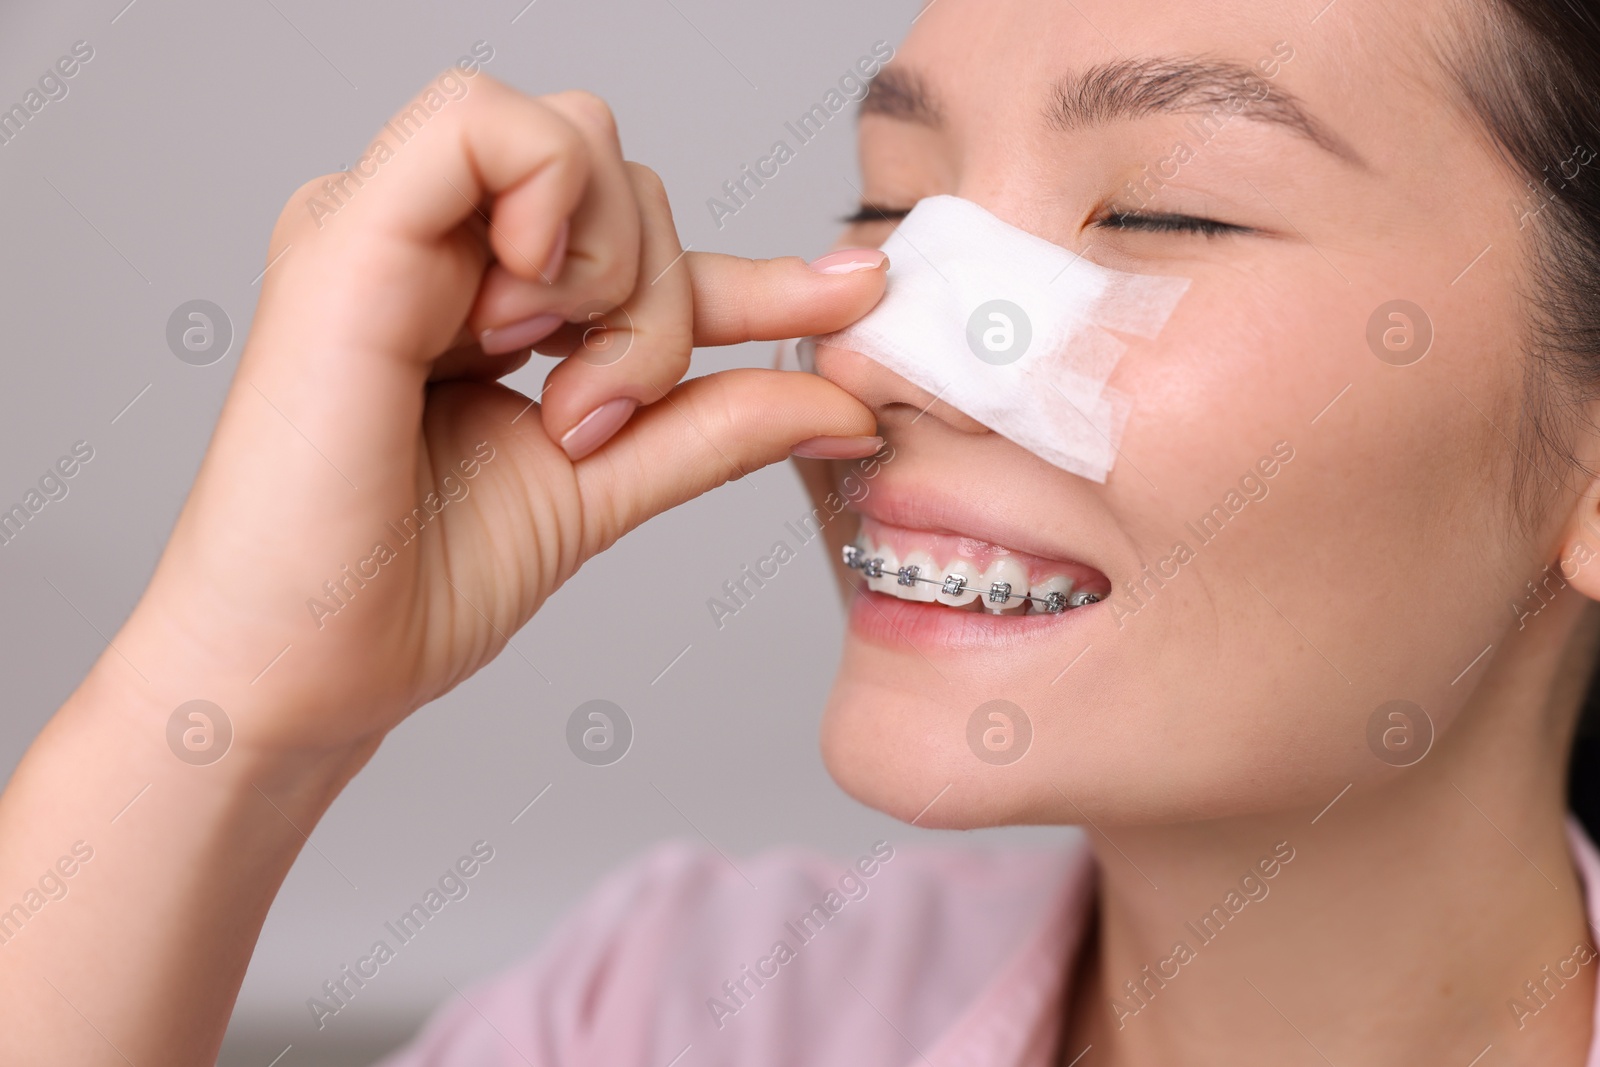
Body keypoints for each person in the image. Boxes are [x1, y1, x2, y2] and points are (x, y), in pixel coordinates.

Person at [4, 0, 1600, 1063]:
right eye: (895, 206)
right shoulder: (676, 1009)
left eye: (1165, 211)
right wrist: (226, 705)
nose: (888, 344)